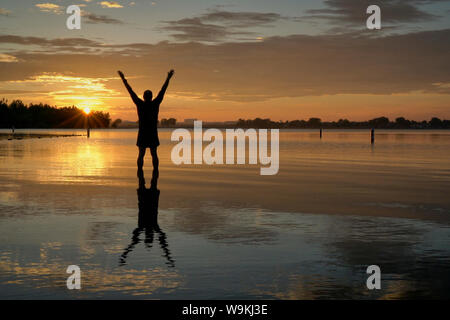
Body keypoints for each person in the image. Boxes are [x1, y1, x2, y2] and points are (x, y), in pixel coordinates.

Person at [118, 69, 174, 186]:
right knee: (154, 154)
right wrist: (168, 78)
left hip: (143, 133)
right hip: (152, 133)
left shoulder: (140, 104)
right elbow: (162, 91)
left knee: (141, 154)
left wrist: (124, 80)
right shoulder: (155, 104)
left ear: (143, 97)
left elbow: (131, 92)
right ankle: (155, 174)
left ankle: (140, 175)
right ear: (151, 96)